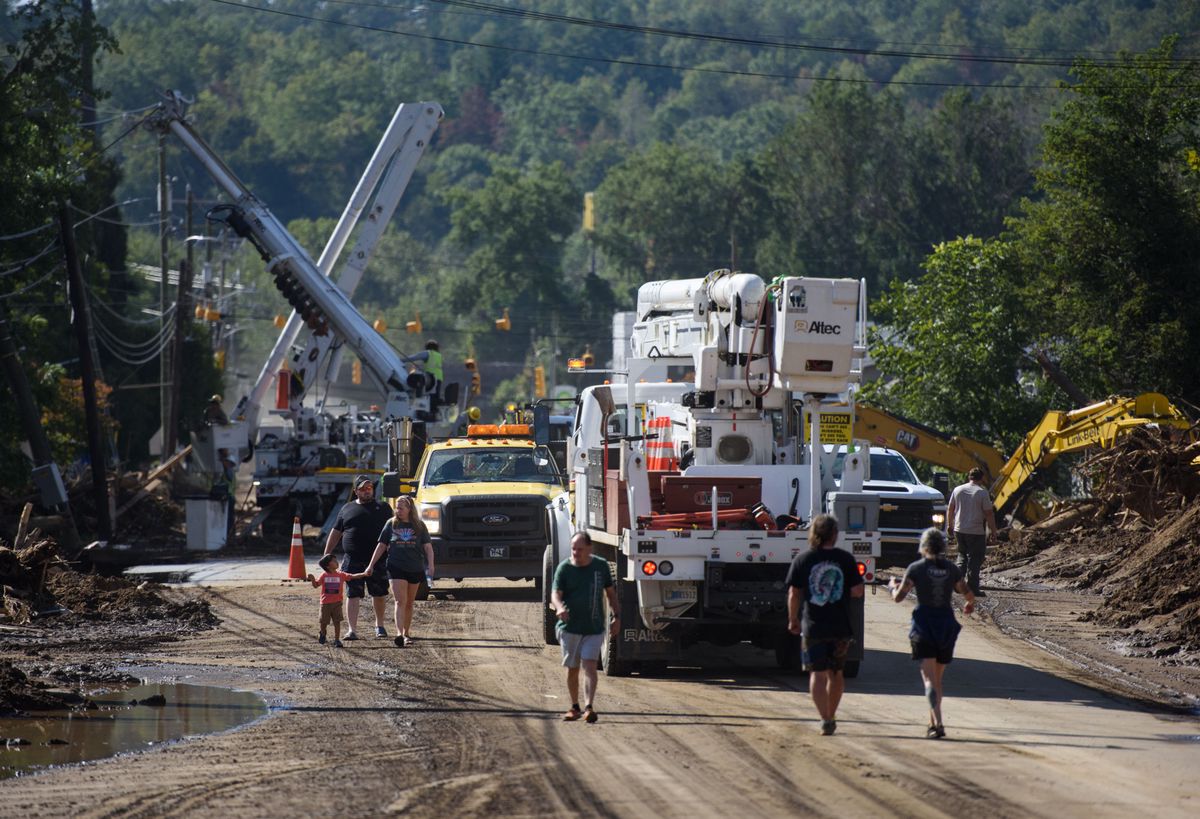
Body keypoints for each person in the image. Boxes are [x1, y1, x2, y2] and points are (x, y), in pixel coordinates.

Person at [887, 527, 976, 739]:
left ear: (923, 546)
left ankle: (939, 723)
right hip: (946, 625)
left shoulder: (916, 568)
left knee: (929, 681)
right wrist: (969, 604)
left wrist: (892, 586)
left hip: (924, 624)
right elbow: (967, 592)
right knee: (937, 680)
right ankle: (933, 722)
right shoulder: (952, 568)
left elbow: (899, 597)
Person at [785, 513, 865, 736]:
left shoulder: (803, 559)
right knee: (836, 673)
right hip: (840, 627)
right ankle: (832, 712)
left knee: (817, 674)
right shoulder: (846, 559)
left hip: (814, 626)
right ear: (834, 534)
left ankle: (825, 718)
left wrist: (792, 619)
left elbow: (794, 593)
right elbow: (858, 591)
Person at [551, 531, 619, 724]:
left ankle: (589, 707)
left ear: (589, 549)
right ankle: (574, 706)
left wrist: (617, 617)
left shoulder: (600, 566)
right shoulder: (564, 568)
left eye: (580, 549)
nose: (576, 552)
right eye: (573, 548)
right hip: (569, 628)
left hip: (593, 628)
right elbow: (555, 594)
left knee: (590, 665)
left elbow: (611, 594)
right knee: (573, 668)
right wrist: (560, 607)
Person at [323, 475, 392, 640]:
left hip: (378, 559)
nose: (367, 491)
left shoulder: (383, 508)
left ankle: (380, 626)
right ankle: (352, 630)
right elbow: (336, 532)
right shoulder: (347, 509)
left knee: (379, 593)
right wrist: (327, 554)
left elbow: (392, 530)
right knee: (352, 594)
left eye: (369, 488)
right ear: (356, 491)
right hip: (352, 559)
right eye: (363, 488)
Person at [366, 496, 434, 647]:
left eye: (401, 508)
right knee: (399, 601)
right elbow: (382, 545)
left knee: (409, 603)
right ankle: (399, 634)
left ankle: (406, 633)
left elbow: (428, 547)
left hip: (415, 567)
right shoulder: (391, 524)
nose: (398, 511)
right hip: (396, 566)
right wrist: (371, 565)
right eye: (397, 507)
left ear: (410, 509)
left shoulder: (419, 525)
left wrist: (431, 565)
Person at [946, 467, 998, 597]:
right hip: (976, 531)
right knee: (975, 559)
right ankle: (973, 588)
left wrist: (949, 525)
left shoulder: (958, 489)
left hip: (960, 529)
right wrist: (993, 531)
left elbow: (950, 508)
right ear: (981, 478)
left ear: (969, 477)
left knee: (962, 555)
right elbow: (989, 513)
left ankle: (956, 584)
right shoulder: (982, 492)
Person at [307, 553, 371, 648]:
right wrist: (312, 579)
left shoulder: (341, 575)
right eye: (333, 561)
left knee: (337, 622)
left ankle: (337, 640)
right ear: (328, 566)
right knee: (323, 622)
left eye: (336, 560)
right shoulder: (324, 575)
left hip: (337, 603)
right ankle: (323, 632)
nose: (337, 562)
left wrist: (364, 574)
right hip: (325, 604)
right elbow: (316, 585)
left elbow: (352, 576)